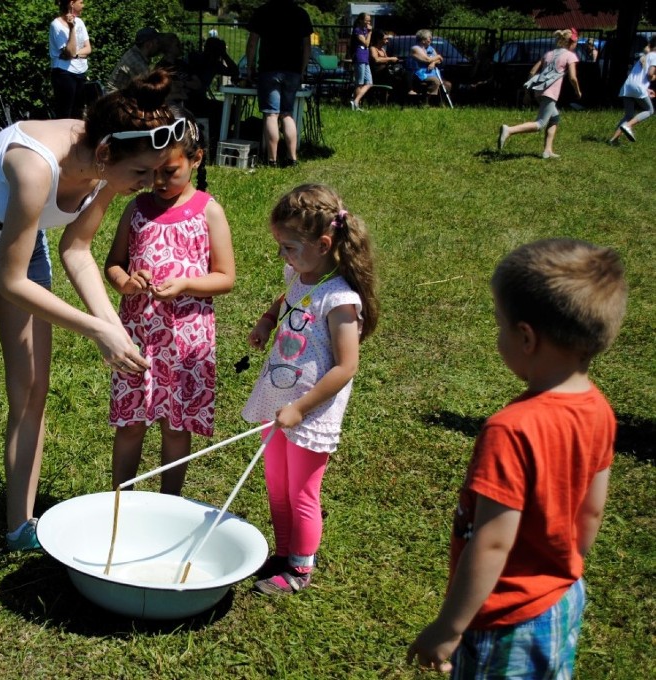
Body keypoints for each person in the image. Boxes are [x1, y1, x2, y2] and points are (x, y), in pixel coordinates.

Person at [0, 71, 184, 606]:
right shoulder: (34, 164)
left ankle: (20, 524)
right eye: (140, 172)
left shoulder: (106, 165)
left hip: (21, 245)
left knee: (32, 389)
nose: (144, 183)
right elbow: (12, 282)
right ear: (108, 151)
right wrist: (94, 328)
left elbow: (75, 248)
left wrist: (111, 326)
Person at [407, 238, 628, 676]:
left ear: (525, 337)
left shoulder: (511, 429)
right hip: (563, 597)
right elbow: (592, 511)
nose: (498, 333)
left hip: (506, 618)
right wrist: (558, 572)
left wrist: (450, 628)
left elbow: (492, 541)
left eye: (500, 323)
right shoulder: (599, 408)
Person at [242, 184, 379, 595]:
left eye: (288, 247)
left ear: (323, 244)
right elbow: (287, 299)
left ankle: (299, 569)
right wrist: (268, 321)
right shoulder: (300, 276)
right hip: (279, 400)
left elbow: (346, 366)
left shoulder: (339, 300)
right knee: (276, 482)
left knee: (301, 491)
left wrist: (301, 408)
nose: (283, 256)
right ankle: (283, 553)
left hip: (309, 410)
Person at [104, 110, 235, 495]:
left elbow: (225, 277)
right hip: (138, 337)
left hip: (185, 341)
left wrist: (186, 286)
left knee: (176, 427)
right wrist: (126, 283)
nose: (159, 181)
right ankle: (120, 502)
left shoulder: (208, 211)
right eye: (154, 171)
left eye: (171, 171)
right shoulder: (136, 209)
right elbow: (113, 263)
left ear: (196, 160)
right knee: (130, 423)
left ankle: (170, 503)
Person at [245, 0, 313, 167]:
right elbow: (307, 46)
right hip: (293, 70)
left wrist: (250, 67)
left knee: (271, 115)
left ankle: (272, 160)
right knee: (287, 114)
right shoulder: (301, 14)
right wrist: (302, 70)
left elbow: (252, 42)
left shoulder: (262, 11)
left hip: (269, 69)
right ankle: (292, 158)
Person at [498, 29, 582, 159]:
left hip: (539, 90)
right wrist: (578, 91)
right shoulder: (570, 56)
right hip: (550, 92)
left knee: (554, 118)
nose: (576, 45)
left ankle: (547, 150)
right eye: (576, 42)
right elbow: (572, 77)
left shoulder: (549, 54)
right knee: (540, 124)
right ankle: (509, 130)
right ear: (572, 42)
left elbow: (532, 72)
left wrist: (527, 92)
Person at [608, 35, 656, 145]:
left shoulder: (645, 55)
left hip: (628, 86)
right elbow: (650, 75)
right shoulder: (655, 56)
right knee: (649, 110)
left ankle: (613, 140)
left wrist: (646, 89)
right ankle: (628, 126)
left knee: (629, 115)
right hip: (638, 88)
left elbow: (640, 77)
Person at [49, 0, 93, 119]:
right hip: (64, 74)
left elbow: (88, 49)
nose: (83, 5)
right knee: (65, 114)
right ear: (72, 4)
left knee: (78, 113)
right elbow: (70, 51)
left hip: (80, 73)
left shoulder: (80, 22)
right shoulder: (56, 25)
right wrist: (72, 28)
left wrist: (75, 55)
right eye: (81, 2)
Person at [106, 27, 162, 93]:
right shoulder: (136, 62)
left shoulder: (135, 54)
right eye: (157, 42)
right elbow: (152, 87)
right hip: (116, 99)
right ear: (148, 44)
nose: (159, 46)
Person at [408, 29, 450, 101]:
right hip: (420, 74)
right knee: (435, 81)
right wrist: (438, 56)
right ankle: (427, 102)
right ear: (423, 40)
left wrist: (433, 62)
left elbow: (439, 60)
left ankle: (441, 104)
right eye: (429, 38)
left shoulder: (431, 48)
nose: (431, 40)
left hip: (432, 73)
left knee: (447, 85)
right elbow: (427, 60)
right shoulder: (415, 49)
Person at [369, 29, 402, 98]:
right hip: (377, 74)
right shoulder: (373, 48)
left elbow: (386, 61)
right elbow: (376, 60)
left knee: (400, 74)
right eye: (385, 39)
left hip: (384, 72)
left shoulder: (382, 49)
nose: (387, 41)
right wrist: (390, 59)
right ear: (378, 39)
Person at [349, 13, 372, 110]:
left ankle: (355, 101)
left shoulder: (364, 30)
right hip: (360, 57)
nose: (368, 22)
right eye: (366, 20)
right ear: (360, 21)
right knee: (360, 82)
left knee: (369, 83)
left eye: (369, 20)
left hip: (365, 58)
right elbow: (366, 43)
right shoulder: (357, 30)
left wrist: (368, 32)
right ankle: (356, 105)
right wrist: (370, 32)